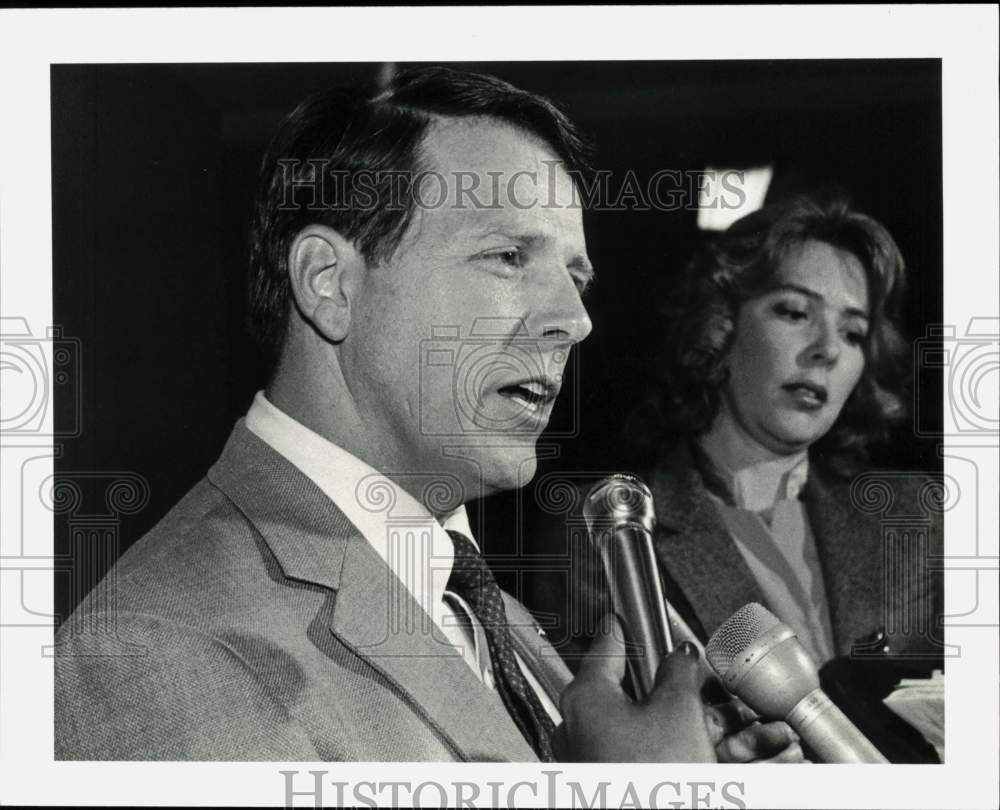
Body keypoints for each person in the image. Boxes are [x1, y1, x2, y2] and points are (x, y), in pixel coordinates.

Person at [54, 66, 801, 763]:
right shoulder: (154, 650)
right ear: (329, 285)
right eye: (509, 257)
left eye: (576, 277)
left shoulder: (478, 602)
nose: (576, 320)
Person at [634, 194, 943, 671]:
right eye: (796, 313)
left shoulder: (922, 517)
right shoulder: (619, 536)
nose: (827, 350)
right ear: (722, 323)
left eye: (853, 333)